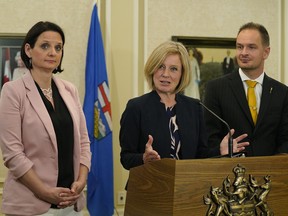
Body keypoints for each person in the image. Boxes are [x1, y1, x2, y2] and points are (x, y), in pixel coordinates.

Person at [0, 21, 91, 215]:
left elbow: (83, 142)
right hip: (30, 205)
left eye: (58, 48)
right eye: (45, 46)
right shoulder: (12, 91)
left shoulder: (69, 90)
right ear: (28, 49)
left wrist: (81, 181)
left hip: (70, 203)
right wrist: (45, 192)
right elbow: (13, 154)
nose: (53, 52)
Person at [119, 41, 249, 170]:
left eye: (173, 69)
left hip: (186, 187)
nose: (166, 74)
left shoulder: (194, 107)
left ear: (182, 74)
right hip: (149, 186)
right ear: (152, 69)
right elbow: (126, 158)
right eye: (160, 66)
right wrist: (143, 158)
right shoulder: (136, 107)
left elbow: (200, 155)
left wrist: (220, 151)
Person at [204, 22, 288, 157]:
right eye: (239, 47)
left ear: (266, 52)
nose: (243, 53)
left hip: (271, 173)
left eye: (251, 47)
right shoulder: (216, 88)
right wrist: (220, 151)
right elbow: (209, 138)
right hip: (229, 173)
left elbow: (285, 138)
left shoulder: (282, 92)